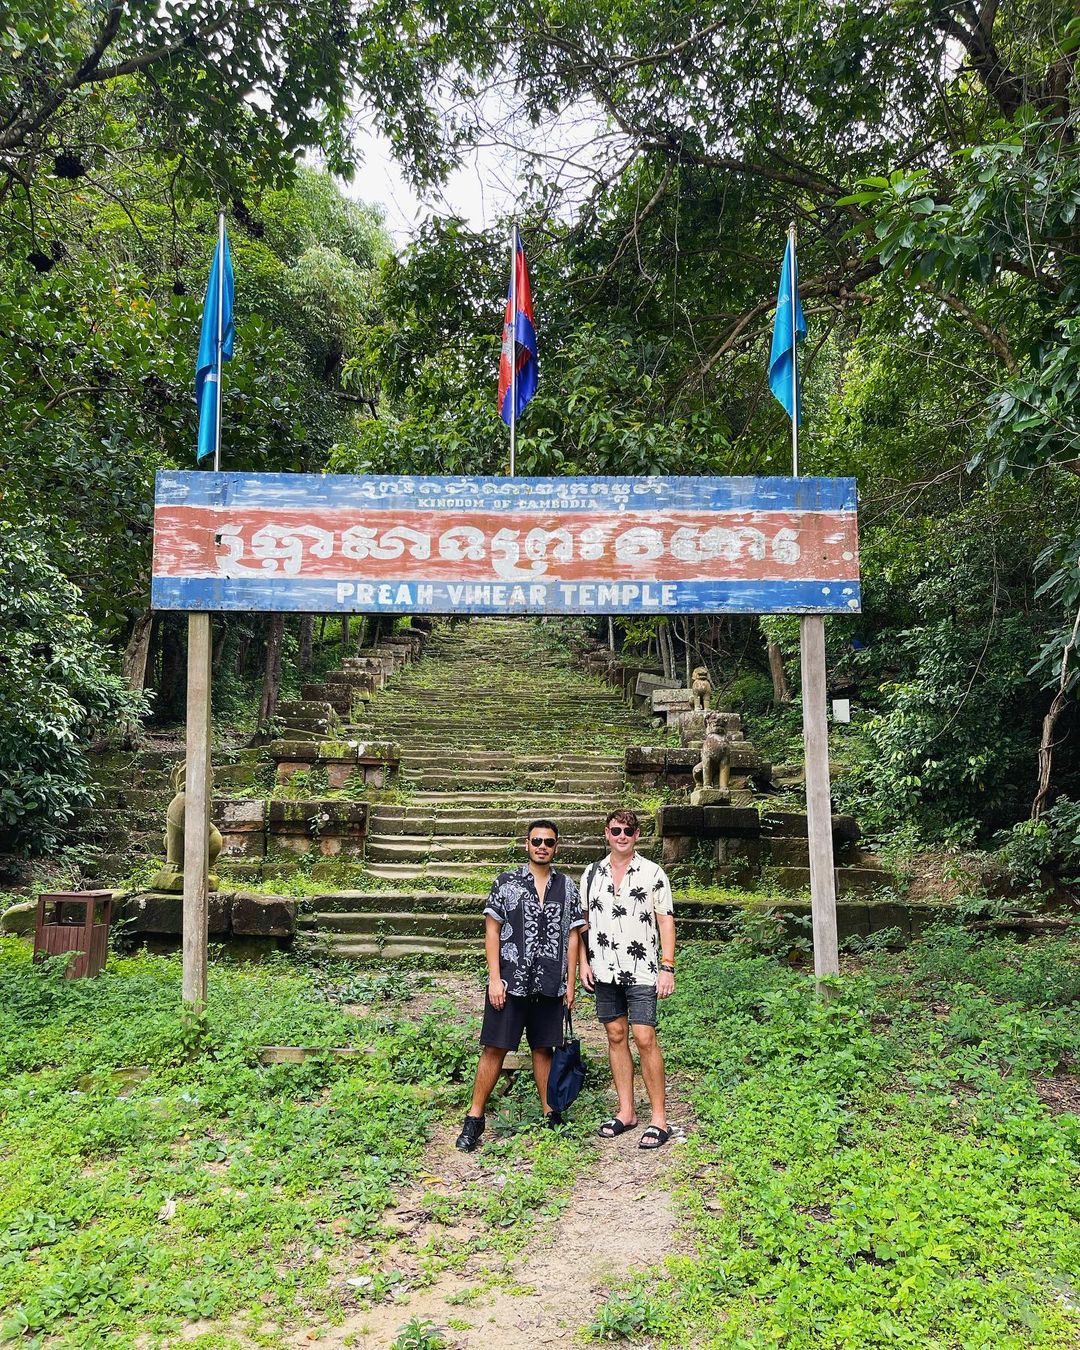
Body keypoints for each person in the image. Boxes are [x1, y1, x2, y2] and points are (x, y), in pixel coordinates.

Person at [455, 820, 584, 1153]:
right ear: (527, 844)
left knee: (544, 1048)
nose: (542, 846)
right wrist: (494, 978)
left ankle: (550, 1113)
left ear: (557, 846)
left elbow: (572, 937)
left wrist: (570, 984)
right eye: (537, 840)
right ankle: (475, 1118)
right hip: (510, 982)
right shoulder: (506, 882)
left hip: (551, 982)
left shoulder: (567, 887)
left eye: (549, 841)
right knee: (495, 1048)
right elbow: (492, 932)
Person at [578, 808, 676, 1149]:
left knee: (645, 1036)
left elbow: (665, 920)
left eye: (629, 832)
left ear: (637, 836)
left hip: (643, 968)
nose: (622, 836)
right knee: (615, 1034)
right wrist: (582, 963)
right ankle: (626, 1111)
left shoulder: (653, 873)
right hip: (603, 967)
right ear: (607, 832)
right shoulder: (591, 874)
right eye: (617, 830)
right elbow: (583, 924)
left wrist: (668, 966)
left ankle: (659, 1118)